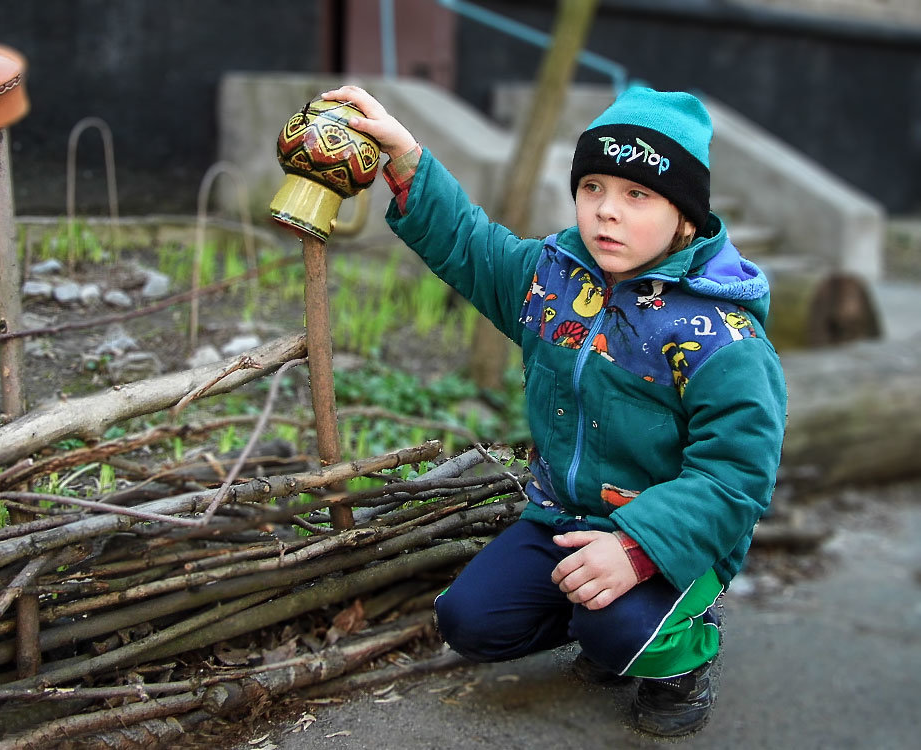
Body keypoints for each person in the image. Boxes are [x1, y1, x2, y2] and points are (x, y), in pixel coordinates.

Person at [321, 84, 787, 737]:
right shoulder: (555, 280)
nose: (607, 212)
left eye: (637, 195)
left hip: (673, 538)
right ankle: (613, 632)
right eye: (592, 186)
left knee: (617, 628)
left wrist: (636, 550)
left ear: (686, 217)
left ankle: (674, 652)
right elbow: (471, 247)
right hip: (561, 518)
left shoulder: (722, 336)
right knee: (469, 623)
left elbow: (735, 477)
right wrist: (405, 160)